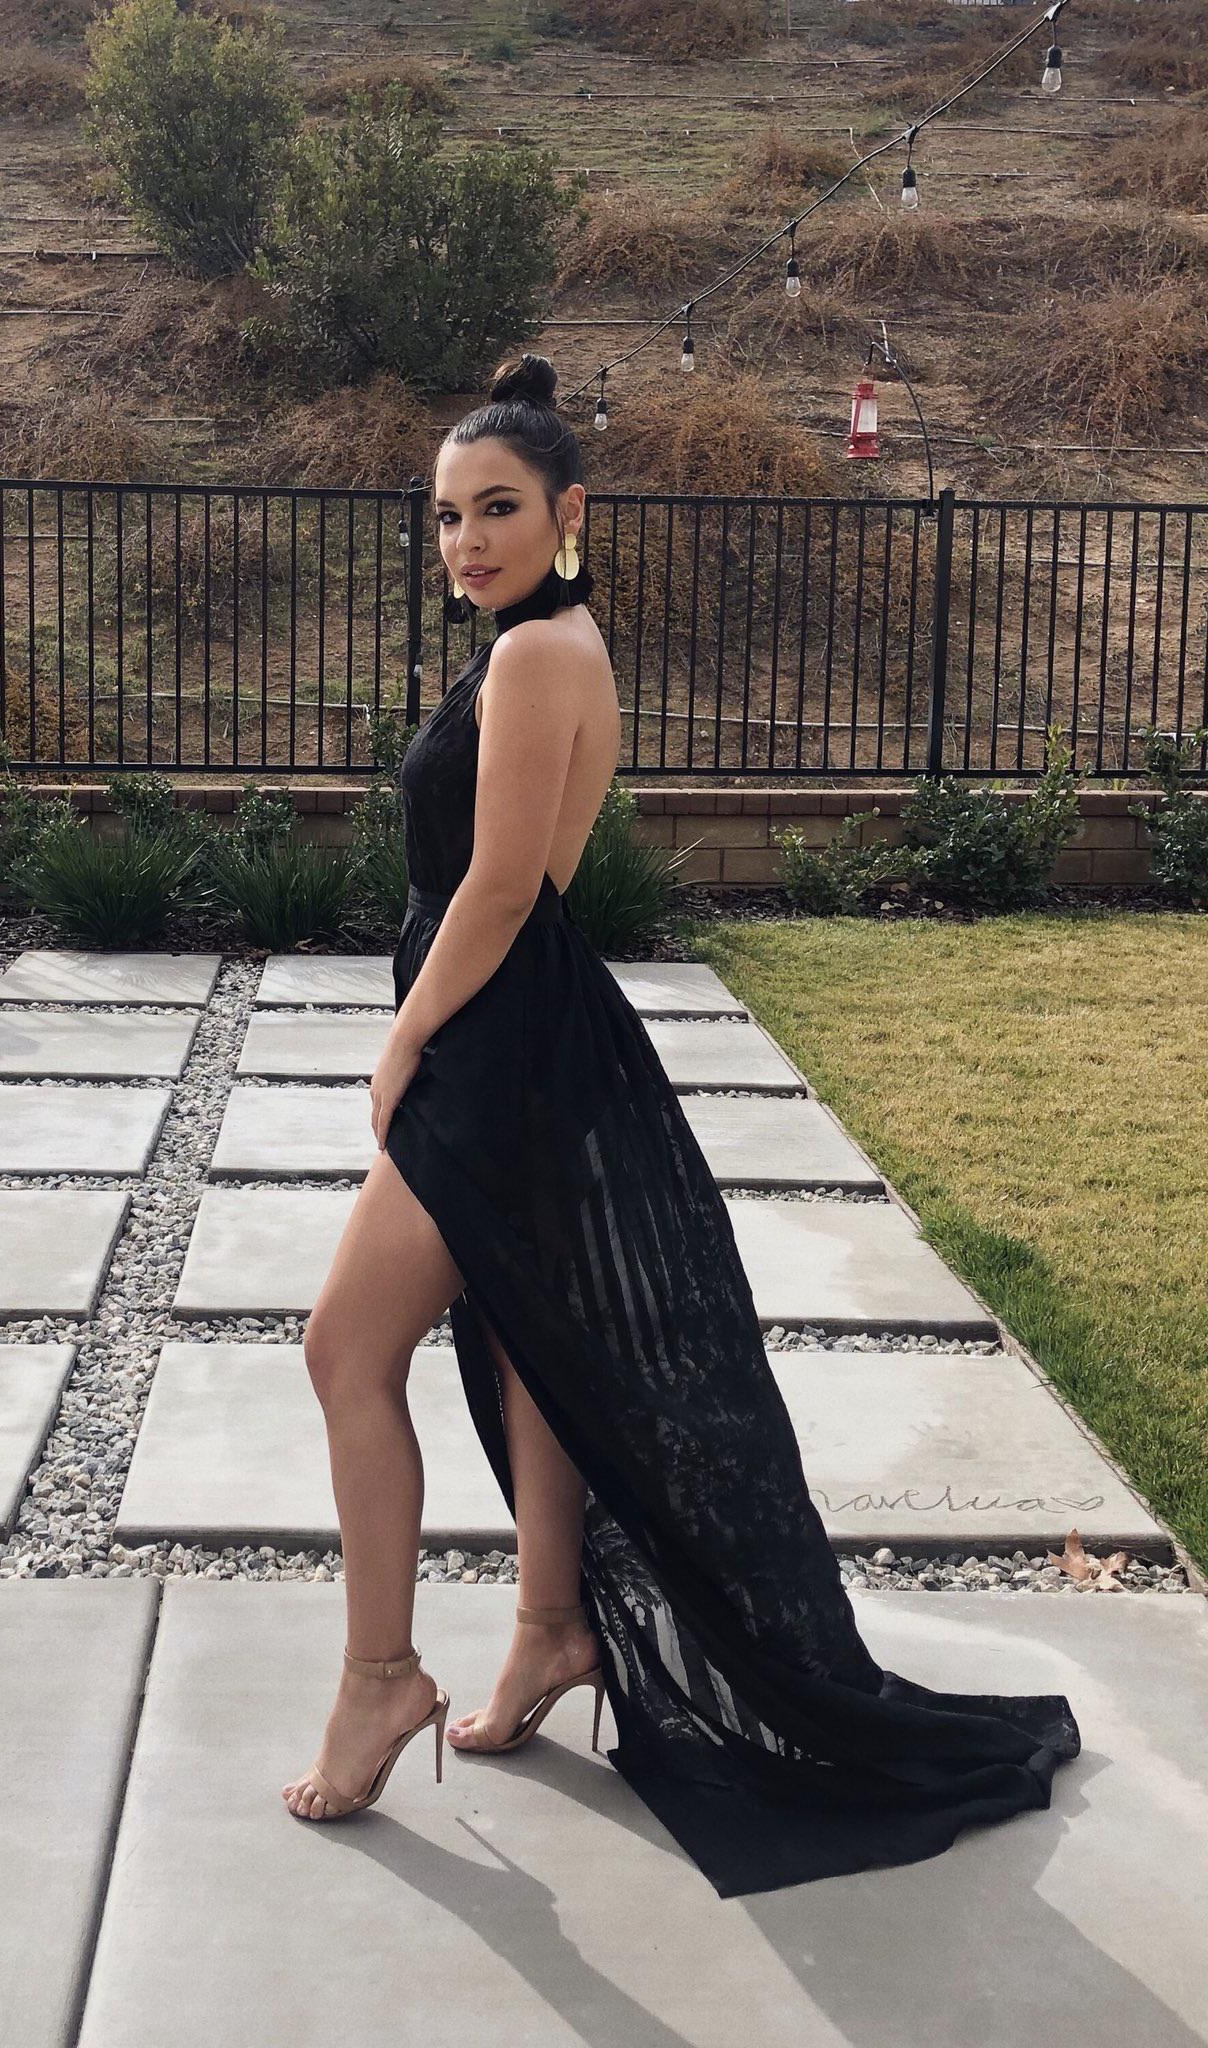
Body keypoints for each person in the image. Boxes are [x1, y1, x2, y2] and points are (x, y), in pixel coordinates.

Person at [279, 352, 1080, 1897]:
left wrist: (405, 1039)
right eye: (446, 517)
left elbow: (501, 889)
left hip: (498, 1042)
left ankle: (382, 1677)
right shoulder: (550, 640)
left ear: (568, 512)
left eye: (496, 509)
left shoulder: (537, 656)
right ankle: (548, 1629)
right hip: (529, 1034)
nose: (465, 541)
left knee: (343, 1353)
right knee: (529, 1342)